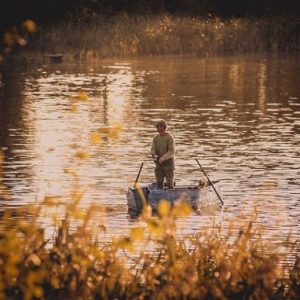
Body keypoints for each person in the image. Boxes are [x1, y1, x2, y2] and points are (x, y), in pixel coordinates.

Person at [151, 119, 175, 189]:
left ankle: (170, 196)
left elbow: (172, 151)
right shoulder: (156, 138)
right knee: (159, 182)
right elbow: (153, 148)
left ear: (164, 127)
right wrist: (154, 155)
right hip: (159, 163)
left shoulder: (170, 138)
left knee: (169, 183)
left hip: (168, 163)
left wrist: (164, 157)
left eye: (158, 126)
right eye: (156, 126)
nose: (157, 128)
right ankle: (159, 196)